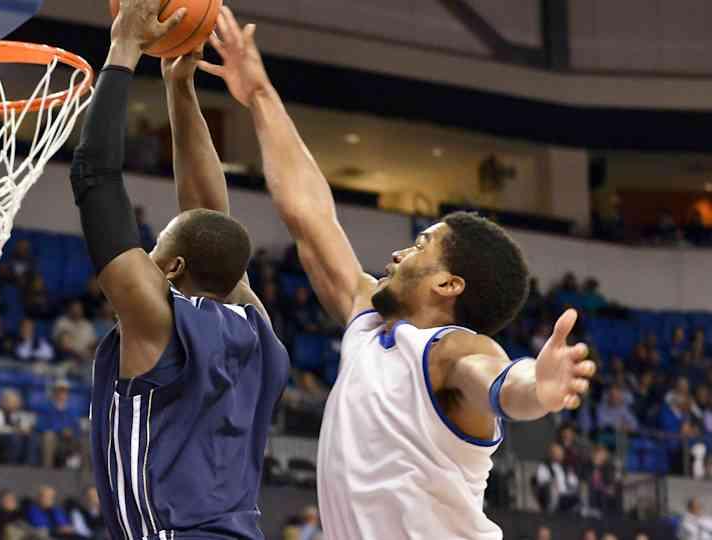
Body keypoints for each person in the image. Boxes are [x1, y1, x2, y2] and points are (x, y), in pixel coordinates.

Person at [199, 8, 596, 539]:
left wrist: (538, 390)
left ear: (448, 284)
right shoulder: (369, 322)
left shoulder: (455, 351)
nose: (397, 255)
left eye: (419, 245)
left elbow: (500, 384)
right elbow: (310, 217)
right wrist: (260, 93)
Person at [71, 3, 288, 538]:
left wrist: (123, 48)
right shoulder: (260, 333)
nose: (142, 258)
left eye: (153, 249)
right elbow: (210, 222)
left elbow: (95, 176)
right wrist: (179, 86)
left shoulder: (155, 319)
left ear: (170, 269)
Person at [35, 381, 81, 468]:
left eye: (64, 392)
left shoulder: (72, 410)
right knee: (49, 437)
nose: (62, 394)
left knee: (85, 439)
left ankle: (86, 473)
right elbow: (40, 425)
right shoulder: (46, 407)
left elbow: (77, 426)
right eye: (59, 391)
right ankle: (48, 469)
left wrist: (72, 432)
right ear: (54, 393)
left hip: (70, 439)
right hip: (55, 438)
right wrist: (60, 430)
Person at [534, 443, 581, 514]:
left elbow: (574, 481)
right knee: (554, 491)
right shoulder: (544, 466)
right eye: (557, 452)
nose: (560, 454)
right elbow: (542, 481)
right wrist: (552, 482)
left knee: (578, 496)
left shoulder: (566, 467)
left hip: (567, 495)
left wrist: (572, 481)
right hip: (552, 495)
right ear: (551, 454)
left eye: (561, 452)